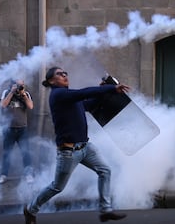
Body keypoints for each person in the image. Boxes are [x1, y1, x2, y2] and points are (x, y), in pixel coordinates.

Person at [24, 67, 128, 224]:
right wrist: (111, 88)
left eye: (66, 73)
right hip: (69, 152)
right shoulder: (58, 95)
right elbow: (84, 92)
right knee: (57, 187)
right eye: (60, 74)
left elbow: (89, 104)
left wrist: (103, 91)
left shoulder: (70, 98)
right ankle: (31, 209)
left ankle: (105, 211)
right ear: (52, 81)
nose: (65, 75)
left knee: (105, 171)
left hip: (86, 147)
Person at [0, 79, 34, 184]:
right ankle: (3, 175)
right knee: (6, 153)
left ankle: (28, 174)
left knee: (26, 153)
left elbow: (30, 106)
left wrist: (23, 94)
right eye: (19, 85)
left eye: (22, 85)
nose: (21, 87)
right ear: (12, 85)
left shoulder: (26, 94)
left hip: (22, 129)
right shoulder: (6, 92)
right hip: (9, 129)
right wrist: (12, 92)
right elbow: (3, 105)